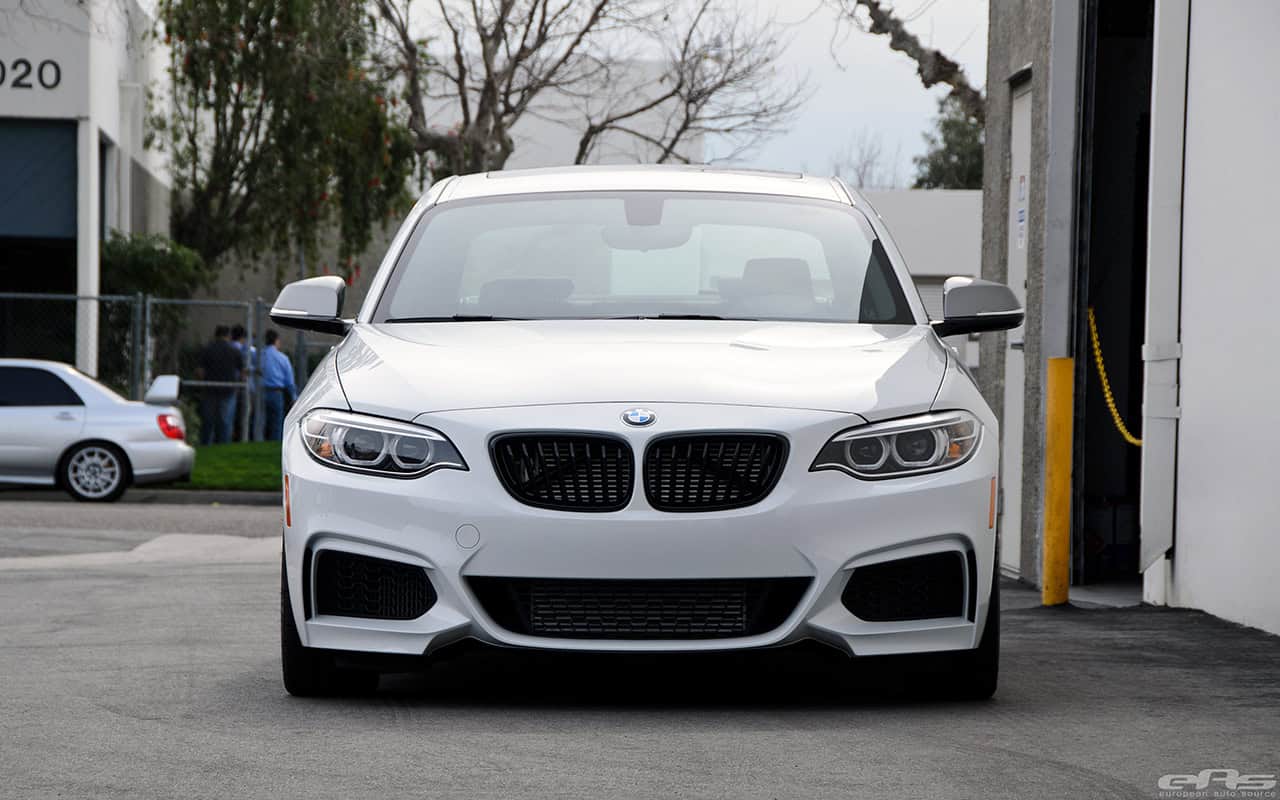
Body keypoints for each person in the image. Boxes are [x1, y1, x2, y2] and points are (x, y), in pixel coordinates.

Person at [196, 325, 244, 445]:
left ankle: (206, 444)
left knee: (208, 421)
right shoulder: (234, 351)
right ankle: (223, 445)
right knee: (225, 423)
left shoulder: (207, 349)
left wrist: (204, 382)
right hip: (228, 390)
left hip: (210, 389)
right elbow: (242, 373)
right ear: (228, 336)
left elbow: (200, 371)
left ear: (215, 335)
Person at [259, 329, 297, 441]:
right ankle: (275, 441)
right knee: (276, 421)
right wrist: (293, 397)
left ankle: (259, 440)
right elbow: (289, 381)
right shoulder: (283, 358)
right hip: (277, 392)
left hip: (262, 391)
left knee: (261, 420)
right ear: (276, 341)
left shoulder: (259, 356)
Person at [228, 325, 256, 440]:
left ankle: (232, 436)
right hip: (246, 386)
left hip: (231, 385)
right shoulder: (248, 351)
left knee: (231, 414)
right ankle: (243, 436)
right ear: (243, 337)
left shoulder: (229, 348)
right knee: (245, 414)